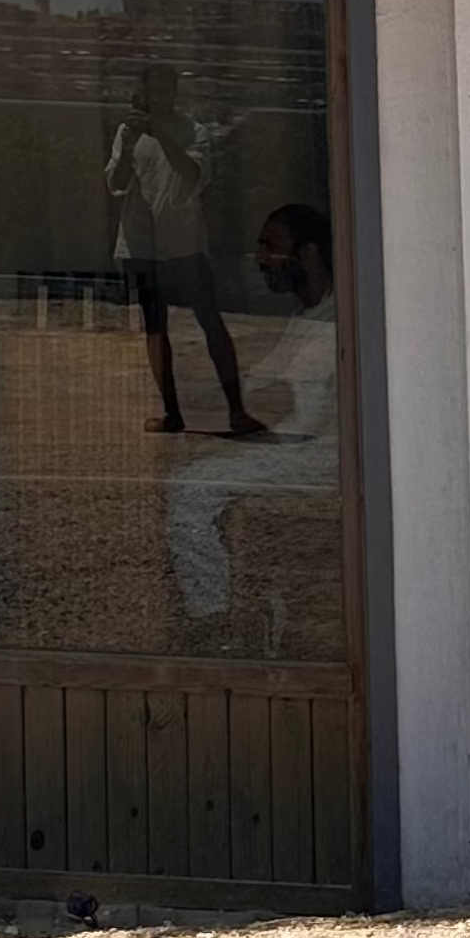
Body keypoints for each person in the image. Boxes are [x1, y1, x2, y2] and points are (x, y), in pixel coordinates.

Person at [165, 204, 338, 639]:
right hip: (294, 443)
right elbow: (262, 383)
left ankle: (211, 616)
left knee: (191, 488)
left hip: (319, 454)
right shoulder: (305, 317)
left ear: (309, 254)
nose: (261, 260)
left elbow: (288, 408)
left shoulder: (336, 322)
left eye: (271, 247)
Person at [108, 65, 260, 435]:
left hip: (184, 245)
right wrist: (128, 144)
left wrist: (160, 134)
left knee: (210, 322)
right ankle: (171, 413)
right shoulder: (128, 132)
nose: (158, 96)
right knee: (155, 329)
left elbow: (191, 175)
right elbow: (116, 183)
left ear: (174, 92)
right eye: (152, 90)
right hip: (142, 246)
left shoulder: (195, 131)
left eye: (164, 89)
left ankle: (237, 411)